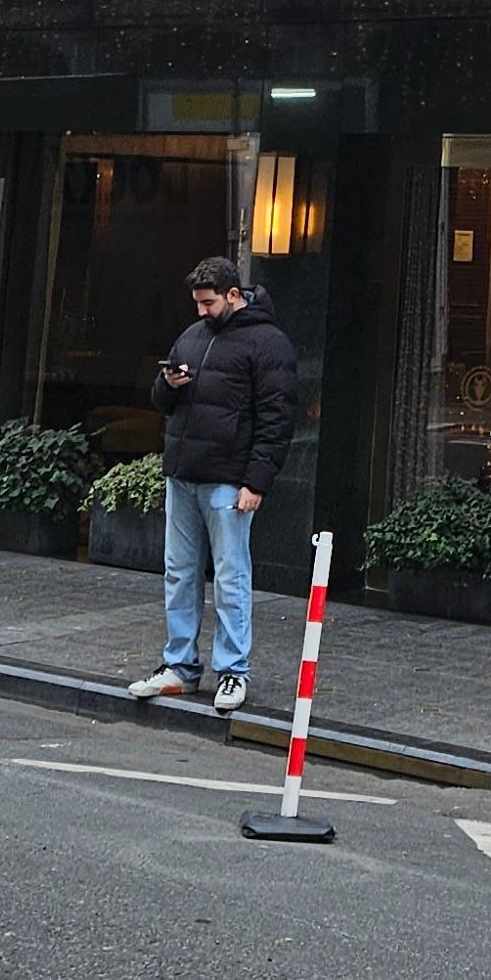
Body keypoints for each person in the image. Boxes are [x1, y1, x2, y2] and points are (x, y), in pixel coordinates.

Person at [128, 255, 296, 715]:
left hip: (227, 479)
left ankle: (232, 670)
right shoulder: (193, 335)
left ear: (233, 295)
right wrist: (169, 383)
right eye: (198, 303)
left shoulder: (268, 343)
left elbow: (277, 419)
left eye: (208, 303)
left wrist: (256, 482)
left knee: (230, 576)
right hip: (185, 474)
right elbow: (161, 400)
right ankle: (181, 666)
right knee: (180, 572)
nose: (202, 311)